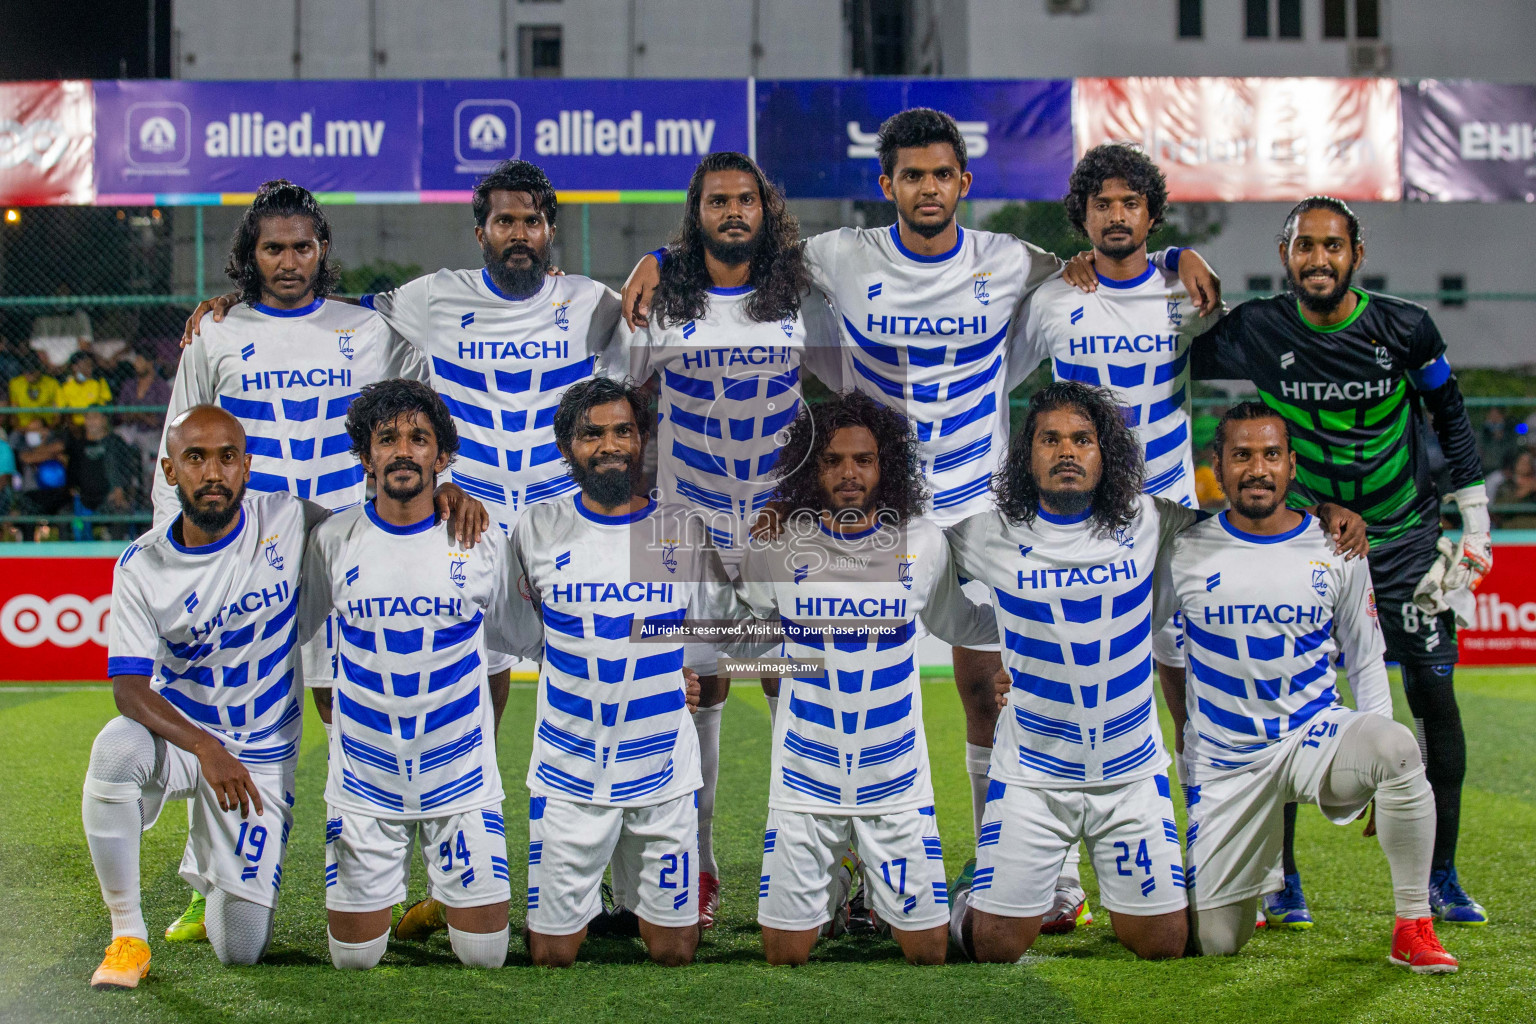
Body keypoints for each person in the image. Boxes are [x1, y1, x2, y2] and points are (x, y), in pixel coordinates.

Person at [621, 108, 1225, 861]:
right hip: (877, 511)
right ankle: (848, 870)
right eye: (913, 176)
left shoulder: (1010, 259)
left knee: (995, 686)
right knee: (842, 683)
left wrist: (1176, 259)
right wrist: (660, 256)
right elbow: (744, 248)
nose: (928, 188)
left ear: (963, 182)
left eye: (942, 174)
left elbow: (1111, 261)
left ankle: (1012, 861)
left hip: (979, 506)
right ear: (888, 185)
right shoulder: (844, 254)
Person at [942, 381, 1362, 963]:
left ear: (1104, 452)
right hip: (1033, 775)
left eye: (1083, 439)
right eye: (1051, 439)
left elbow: (1248, 513)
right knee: (994, 947)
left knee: (1163, 944)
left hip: (1130, 775)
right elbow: (916, 559)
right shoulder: (985, 533)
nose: (1067, 452)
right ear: (1026, 454)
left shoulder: (1151, 520)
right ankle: (969, 890)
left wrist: (1321, 511)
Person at [153, 179, 454, 944]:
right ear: (250, 257)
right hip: (245, 557)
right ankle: (209, 882)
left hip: (352, 549)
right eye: (273, 247)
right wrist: (177, 554)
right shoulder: (215, 335)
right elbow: (177, 445)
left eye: (302, 246)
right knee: (230, 713)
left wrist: (437, 499)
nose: (289, 260)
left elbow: (421, 426)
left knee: (371, 705)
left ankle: (415, 881)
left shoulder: (372, 329)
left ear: (322, 252)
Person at [1190, 196, 1492, 926]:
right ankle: (1281, 878)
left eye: (1332, 246)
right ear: (1285, 253)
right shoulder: (1257, 328)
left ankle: (1442, 874)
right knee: (1281, 705)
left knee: (1434, 696)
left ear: (1356, 251)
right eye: (1303, 246)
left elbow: (1450, 415)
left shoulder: (1406, 327)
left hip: (1408, 540)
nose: (1318, 260)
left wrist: (1475, 525)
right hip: (1311, 544)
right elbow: (1161, 355)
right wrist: (1172, 262)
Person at [1156, 402, 1458, 973]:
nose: (1257, 469)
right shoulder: (1182, 548)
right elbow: (1150, 639)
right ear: (1216, 466)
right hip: (1226, 764)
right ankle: (1258, 875)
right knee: (1217, 941)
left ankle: (1413, 924)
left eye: (1271, 454)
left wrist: (1380, 766)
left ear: (1292, 465)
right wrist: (1184, 735)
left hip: (1312, 737)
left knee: (1397, 751)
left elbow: (1367, 658)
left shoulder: (1335, 545)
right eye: (1241, 455)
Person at [621, 151, 843, 926]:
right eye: (718, 201)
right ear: (698, 213)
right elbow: (621, 404)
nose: (734, 211)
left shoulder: (801, 300)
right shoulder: (662, 304)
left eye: (746, 198)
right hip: (684, 527)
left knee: (797, 682)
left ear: (764, 207)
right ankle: (700, 869)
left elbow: (849, 399)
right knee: (693, 689)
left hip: (782, 525)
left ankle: (811, 867)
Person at [1012, 142, 1216, 932]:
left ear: (1150, 213)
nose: (1117, 214)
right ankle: (1059, 879)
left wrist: (1181, 253)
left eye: (1131, 203)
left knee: (1188, 693)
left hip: (1167, 526)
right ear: (1084, 215)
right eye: (1103, 204)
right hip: (1078, 527)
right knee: (1059, 679)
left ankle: (1207, 861)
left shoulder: (1184, 289)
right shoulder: (1056, 299)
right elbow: (1002, 383)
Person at [735, 391, 997, 965]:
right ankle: (839, 880)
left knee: (928, 953)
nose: (849, 473)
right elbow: (741, 621)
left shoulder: (923, 543)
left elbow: (963, 623)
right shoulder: (781, 543)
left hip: (896, 780)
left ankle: (957, 895)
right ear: (811, 467)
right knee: (783, 956)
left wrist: (1035, 642)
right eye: (831, 460)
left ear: (886, 466)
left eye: (864, 459)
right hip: (804, 780)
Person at [84, 405, 323, 987]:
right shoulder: (141, 566)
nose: (212, 472)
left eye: (226, 457)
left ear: (246, 466)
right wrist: (206, 748)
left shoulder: (287, 519)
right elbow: (130, 691)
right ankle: (127, 936)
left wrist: (445, 500)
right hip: (185, 741)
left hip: (262, 751)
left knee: (240, 949)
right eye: (195, 457)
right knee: (115, 751)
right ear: (169, 470)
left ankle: (209, 864)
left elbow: (370, 528)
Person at [297, 378, 524, 971]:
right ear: (366, 455)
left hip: (462, 779)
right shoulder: (332, 539)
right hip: (364, 784)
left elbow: (513, 644)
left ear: (441, 457)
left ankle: (441, 897)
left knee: (486, 957)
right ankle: (411, 895)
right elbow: (306, 640)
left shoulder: (481, 539)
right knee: (354, 961)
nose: (403, 450)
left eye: (419, 439)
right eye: (387, 438)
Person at [510, 376, 725, 968]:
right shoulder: (538, 527)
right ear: (567, 446)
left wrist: (672, 678)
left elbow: (701, 637)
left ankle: (634, 895)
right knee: (552, 956)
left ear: (641, 439)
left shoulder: (677, 530)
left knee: (676, 951)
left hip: (661, 769)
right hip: (569, 769)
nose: (610, 445)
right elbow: (521, 633)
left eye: (623, 431)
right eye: (592, 434)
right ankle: (579, 903)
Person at [66, 409, 139, 532]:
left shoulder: (116, 442)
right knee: (64, 517)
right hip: (85, 499)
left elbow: (128, 470)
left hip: (111, 498)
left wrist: (121, 490)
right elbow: (72, 475)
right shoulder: (79, 446)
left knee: (120, 515)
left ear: (104, 420)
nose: (91, 422)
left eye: (95, 417)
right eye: (88, 418)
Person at [59, 351, 113, 427]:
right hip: (75, 426)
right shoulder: (65, 386)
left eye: (91, 366)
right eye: (86, 366)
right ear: (74, 367)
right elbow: (64, 411)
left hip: (95, 424)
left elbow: (106, 403)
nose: (90, 369)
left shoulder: (99, 382)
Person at [9, 354, 61, 427]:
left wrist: (49, 428)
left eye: (32, 371)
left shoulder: (52, 383)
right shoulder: (15, 383)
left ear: (39, 370)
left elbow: (57, 414)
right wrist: (21, 429)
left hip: (47, 425)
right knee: (14, 437)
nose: (29, 374)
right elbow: (13, 414)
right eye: (26, 371)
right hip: (23, 427)